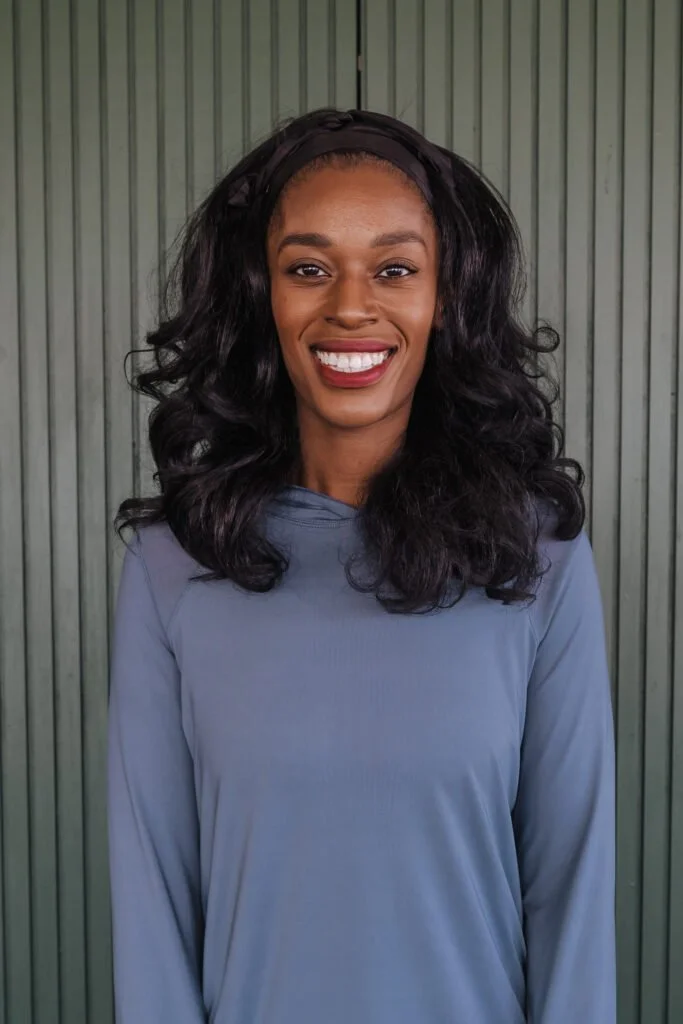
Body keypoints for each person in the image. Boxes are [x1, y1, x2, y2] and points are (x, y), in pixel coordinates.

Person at [108, 107, 616, 1023]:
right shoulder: (171, 569)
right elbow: (153, 907)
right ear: (262, 297)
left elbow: (571, 895)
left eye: (393, 269)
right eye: (308, 269)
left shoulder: (538, 558)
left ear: (444, 298)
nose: (350, 305)